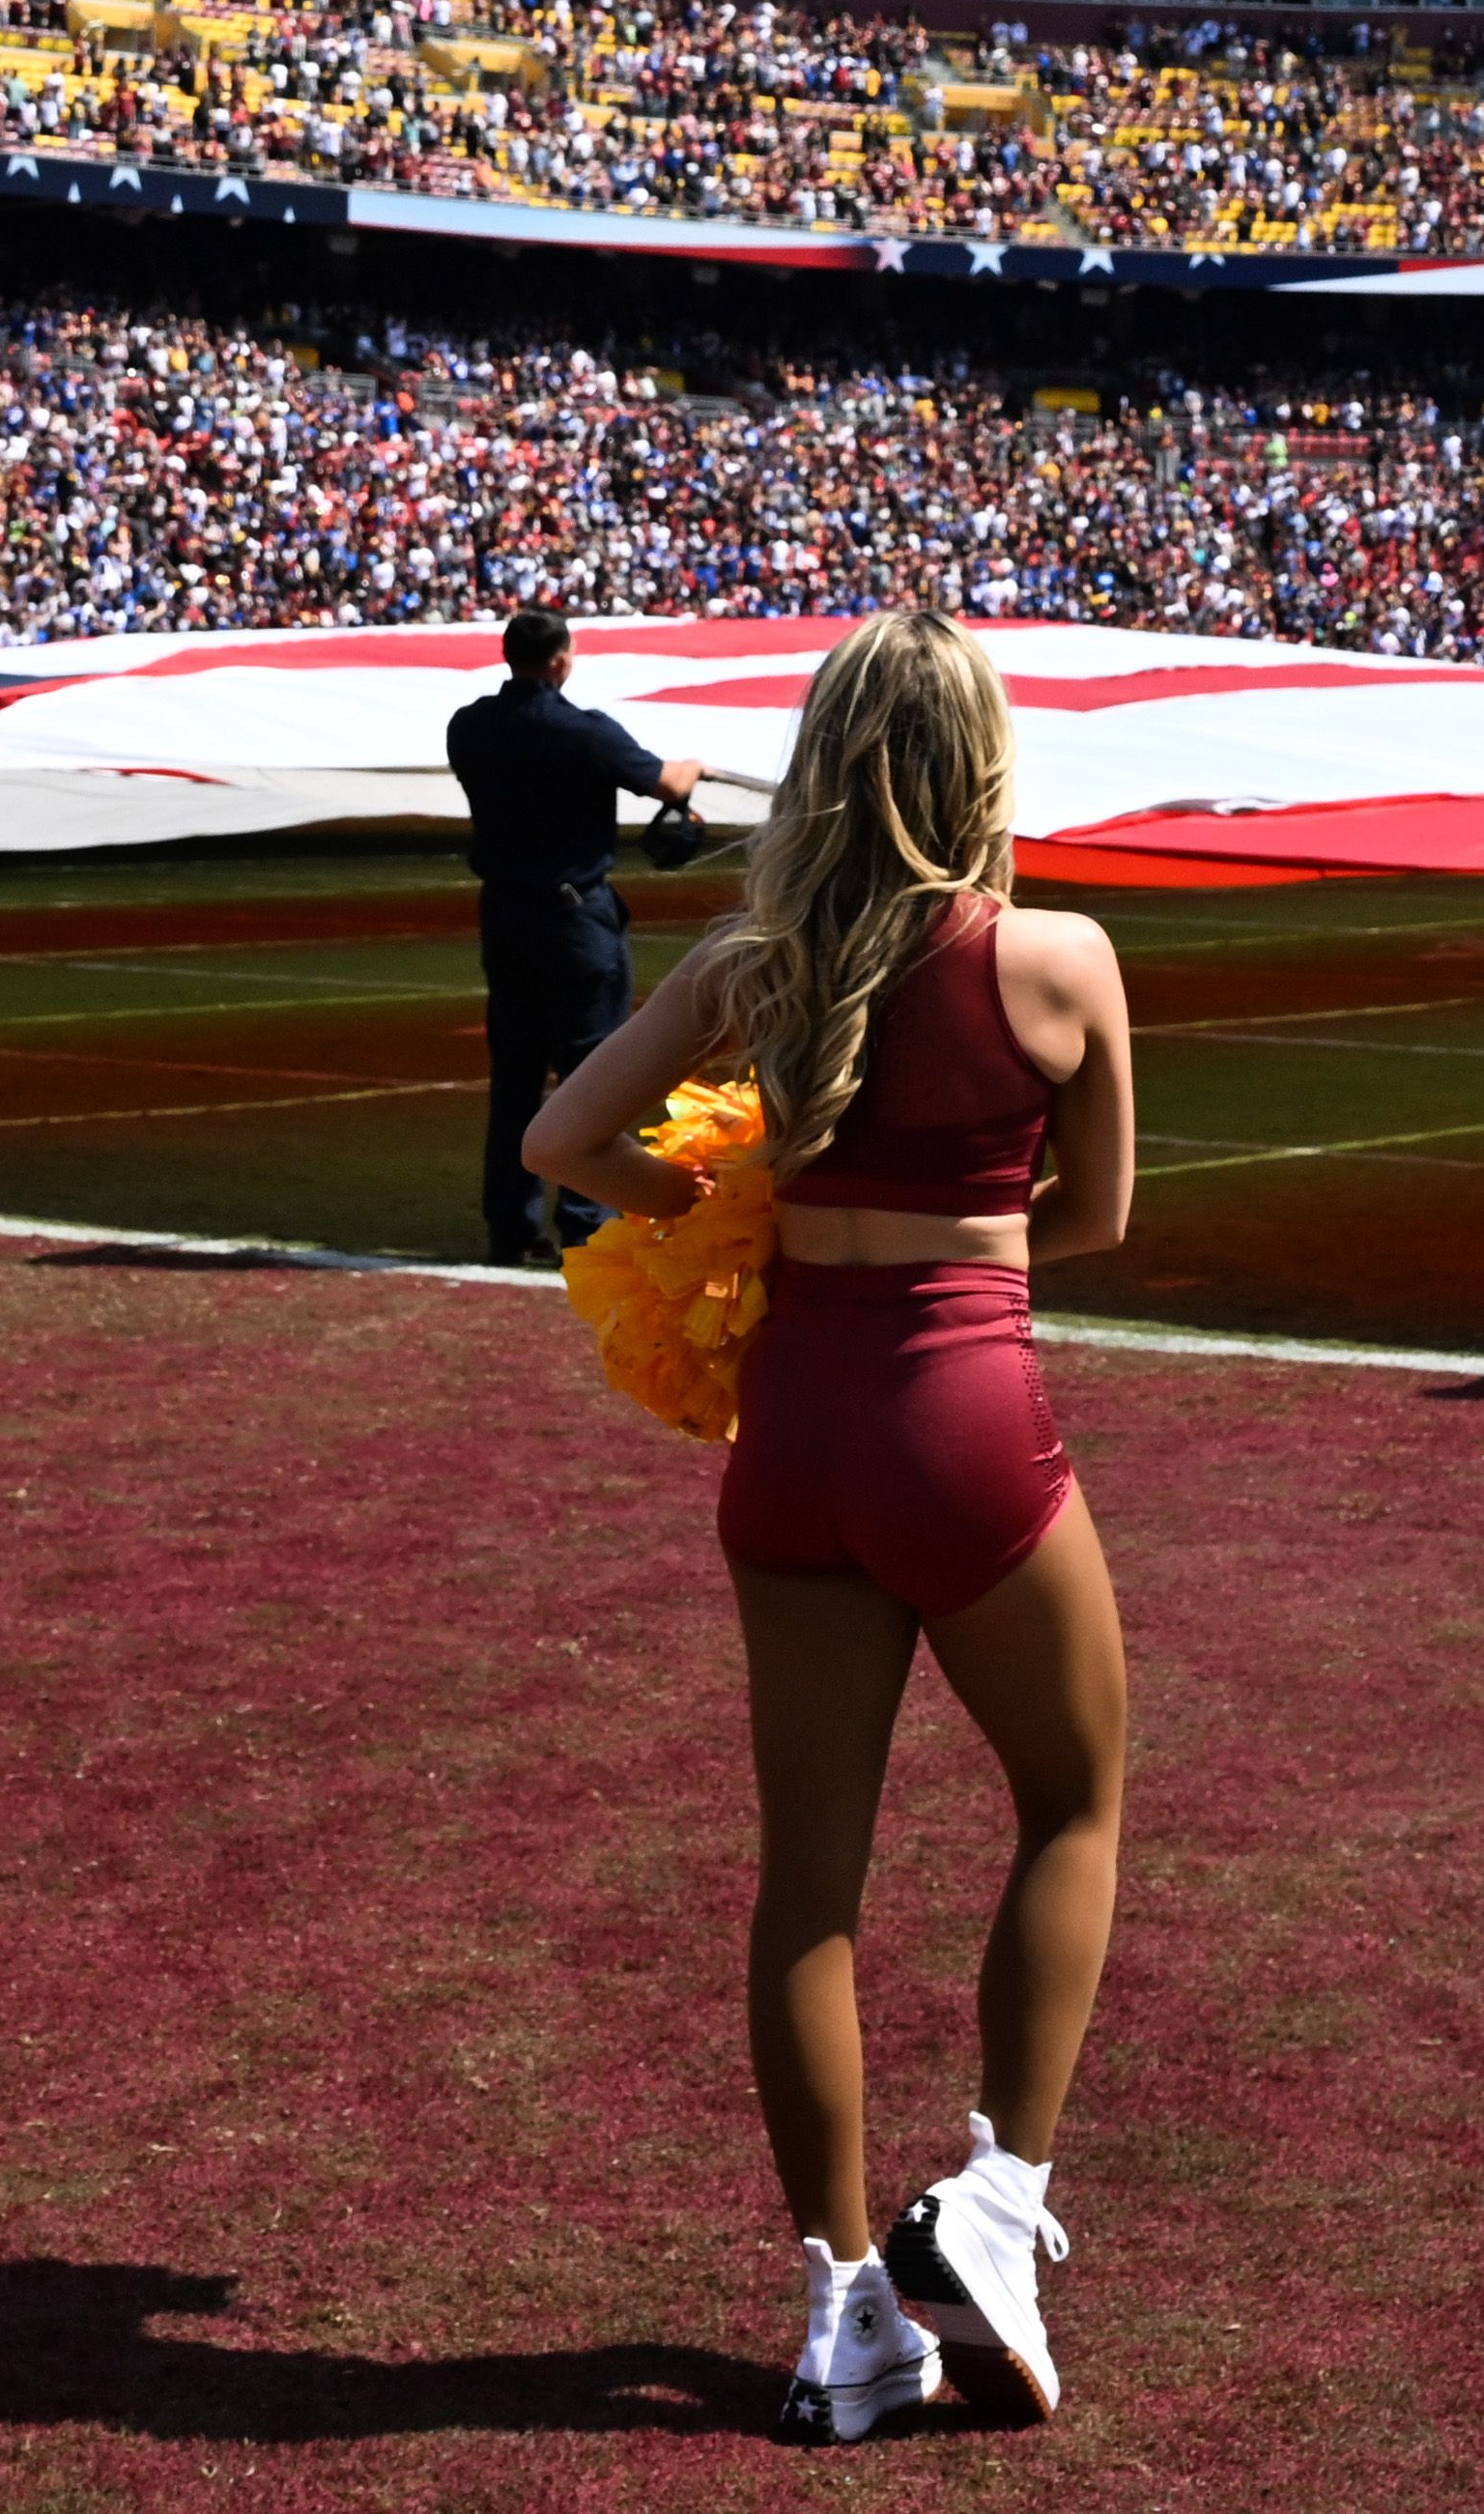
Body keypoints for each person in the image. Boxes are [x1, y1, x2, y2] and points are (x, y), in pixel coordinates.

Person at [526, 604, 1133, 2443]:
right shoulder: (1059, 955)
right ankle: (999, 2197)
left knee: (809, 1880)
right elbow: (1095, 1217)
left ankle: (841, 2307)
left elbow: (562, 1142)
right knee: (1073, 1796)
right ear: (980, 759)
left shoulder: (751, 960)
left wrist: (710, 1197)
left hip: (790, 1436)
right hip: (963, 1417)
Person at [451, 606, 706, 1269]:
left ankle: (511, 1227)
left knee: (514, 1076)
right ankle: (587, 1228)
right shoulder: (584, 732)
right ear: (562, 660)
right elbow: (667, 781)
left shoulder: (469, 726)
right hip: (574, 920)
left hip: (504, 915)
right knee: (593, 1077)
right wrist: (693, 766)